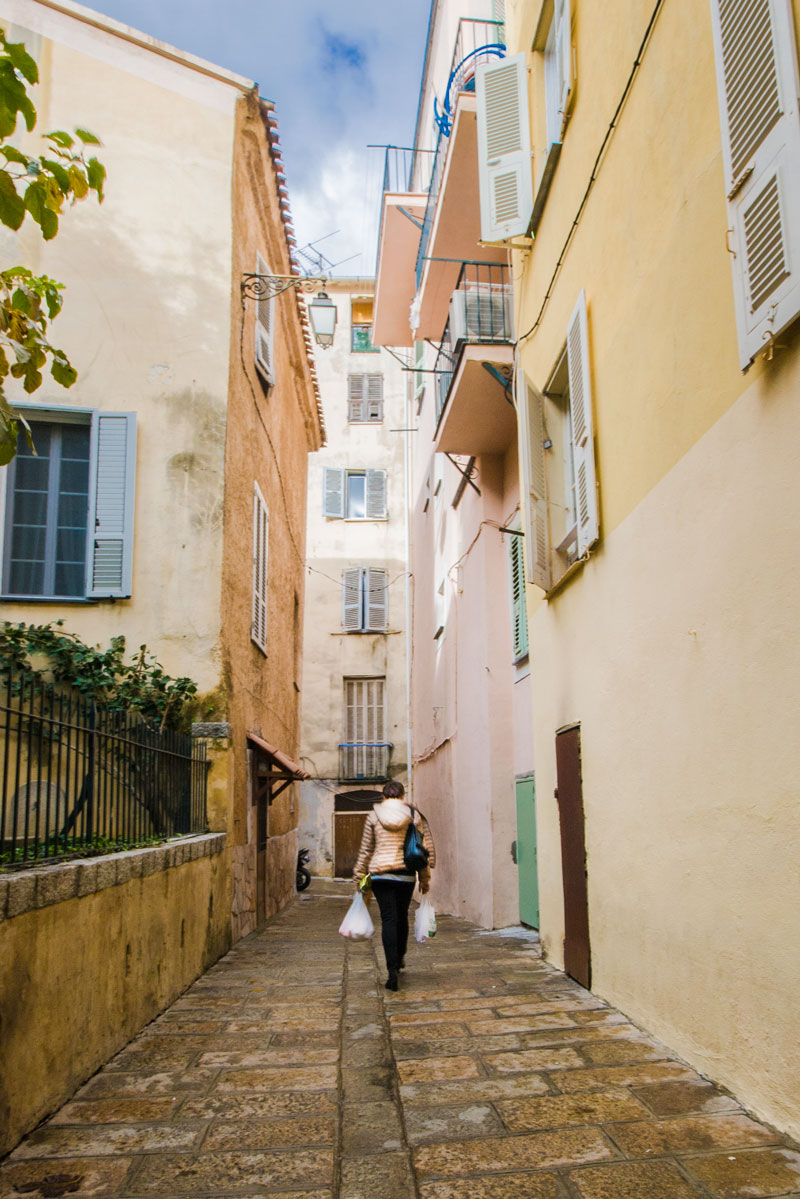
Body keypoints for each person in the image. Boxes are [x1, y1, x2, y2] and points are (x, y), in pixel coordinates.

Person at [352, 781, 435, 991]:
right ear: (402, 795)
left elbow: (365, 849)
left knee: (388, 918)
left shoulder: (374, 815)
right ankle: (399, 959)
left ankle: (390, 971)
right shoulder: (413, 815)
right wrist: (425, 877)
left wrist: (359, 877)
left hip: (380, 874)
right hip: (405, 873)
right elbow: (420, 848)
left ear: (384, 796)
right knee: (401, 915)